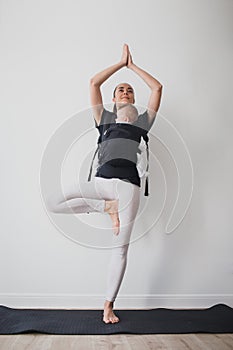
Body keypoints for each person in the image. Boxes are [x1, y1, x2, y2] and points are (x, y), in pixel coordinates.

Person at [46, 44, 162, 324]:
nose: (125, 91)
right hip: (100, 184)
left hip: (128, 189)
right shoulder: (104, 120)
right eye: (121, 89)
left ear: (135, 100)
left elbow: (157, 88)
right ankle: (105, 207)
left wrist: (133, 67)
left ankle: (108, 306)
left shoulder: (143, 123)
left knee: (121, 249)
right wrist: (120, 65)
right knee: (53, 201)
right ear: (113, 99)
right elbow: (93, 82)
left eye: (130, 90)